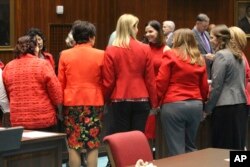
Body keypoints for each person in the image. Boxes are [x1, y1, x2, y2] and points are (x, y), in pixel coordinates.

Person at [58, 20, 104, 167]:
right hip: (95, 101)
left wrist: (59, 105)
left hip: (71, 102)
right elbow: (105, 80)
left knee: (73, 143)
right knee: (92, 143)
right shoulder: (101, 54)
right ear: (91, 37)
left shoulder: (65, 54)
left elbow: (60, 82)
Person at [102, 14, 158, 135]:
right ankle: (137, 155)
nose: (138, 30)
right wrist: (154, 103)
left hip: (119, 99)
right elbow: (150, 79)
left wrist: (105, 100)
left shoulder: (111, 50)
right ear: (132, 28)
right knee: (138, 137)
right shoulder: (145, 48)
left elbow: (108, 80)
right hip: (142, 98)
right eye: (136, 26)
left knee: (122, 138)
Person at [156, 28, 209, 156]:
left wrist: (156, 102)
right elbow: (204, 87)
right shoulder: (199, 58)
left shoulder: (171, 54)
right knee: (191, 146)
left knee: (176, 149)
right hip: (195, 105)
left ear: (177, 40)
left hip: (174, 104)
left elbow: (161, 82)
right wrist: (203, 103)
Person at [3, 35, 62, 130]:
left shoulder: (8, 67)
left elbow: (8, 94)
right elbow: (57, 94)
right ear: (35, 48)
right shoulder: (43, 64)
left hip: (18, 120)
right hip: (43, 119)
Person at [205, 25, 248, 150]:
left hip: (225, 107)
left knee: (222, 148)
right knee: (238, 145)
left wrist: (208, 108)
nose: (210, 40)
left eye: (212, 37)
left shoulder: (221, 55)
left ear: (220, 39)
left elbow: (217, 86)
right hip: (240, 105)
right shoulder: (239, 55)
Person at [192, 13, 214, 79]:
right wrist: (205, 56)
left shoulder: (207, 33)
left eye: (207, 26)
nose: (206, 28)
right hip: (199, 67)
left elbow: (210, 48)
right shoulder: (191, 35)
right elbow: (191, 52)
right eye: (204, 26)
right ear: (197, 23)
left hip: (210, 68)